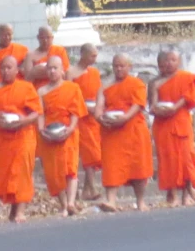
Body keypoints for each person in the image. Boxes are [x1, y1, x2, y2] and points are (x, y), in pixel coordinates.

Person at [0, 55, 42, 223]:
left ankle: (20, 211)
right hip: (1, 135)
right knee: (8, 172)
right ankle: (13, 209)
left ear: (17, 70)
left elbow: (36, 112)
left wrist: (22, 121)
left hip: (23, 135)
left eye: (9, 67)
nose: (6, 71)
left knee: (22, 170)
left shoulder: (26, 87)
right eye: (3, 68)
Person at [95, 54, 153, 213]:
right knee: (111, 165)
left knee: (138, 167)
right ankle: (111, 201)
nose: (119, 69)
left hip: (133, 129)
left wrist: (125, 118)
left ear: (130, 67)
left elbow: (138, 105)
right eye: (116, 66)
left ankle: (140, 201)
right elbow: (99, 106)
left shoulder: (137, 84)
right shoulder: (105, 86)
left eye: (122, 66)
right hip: (112, 130)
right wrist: (100, 118)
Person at [37, 56, 87, 216]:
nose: (52, 71)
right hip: (49, 133)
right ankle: (64, 204)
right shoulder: (41, 91)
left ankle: (71, 202)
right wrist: (41, 130)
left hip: (68, 132)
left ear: (62, 70)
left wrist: (71, 128)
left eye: (55, 68)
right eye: (49, 68)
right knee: (54, 172)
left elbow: (75, 111)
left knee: (70, 168)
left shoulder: (72, 88)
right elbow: (40, 113)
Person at [151, 51, 195, 207]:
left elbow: (187, 98)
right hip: (163, 125)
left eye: (173, 60)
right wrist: (159, 110)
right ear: (161, 64)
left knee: (186, 159)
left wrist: (174, 109)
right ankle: (172, 195)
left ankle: (187, 194)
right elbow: (152, 105)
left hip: (181, 121)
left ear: (179, 62)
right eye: (166, 60)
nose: (169, 63)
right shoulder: (155, 83)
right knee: (168, 159)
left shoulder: (185, 78)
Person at [67, 43, 102, 201]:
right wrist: (83, 109)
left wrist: (99, 108)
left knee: (95, 153)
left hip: (94, 116)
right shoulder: (71, 72)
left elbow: (99, 92)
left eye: (95, 56)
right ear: (83, 54)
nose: (94, 59)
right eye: (92, 55)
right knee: (90, 152)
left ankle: (86, 191)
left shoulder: (94, 72)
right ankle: (92, 187)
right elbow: (68, 95)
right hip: (80, 117)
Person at [24, 26, 70, 90]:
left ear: (52, 37)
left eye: (48, 37)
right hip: (39, 91)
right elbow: (27, 80)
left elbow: (65, 73)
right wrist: (33, 73)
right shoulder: (30, 56)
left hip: (59, 89)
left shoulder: (60, 50)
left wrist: (44, 72)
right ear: (38, 38)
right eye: (42, 38)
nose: (45, 40)